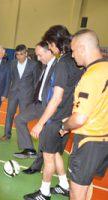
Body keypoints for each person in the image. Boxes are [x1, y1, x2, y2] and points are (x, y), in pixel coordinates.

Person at [24, 25, 83, 200]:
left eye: (50, 45)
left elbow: (56, 98)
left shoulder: (63, 64)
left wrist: (40, 124)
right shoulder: (76, 62)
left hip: (55, 118)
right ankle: (64, 185)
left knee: (48, 157)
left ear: (55, 43)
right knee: (56, 152)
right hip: (66, 118)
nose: (50, 48)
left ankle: (44, 192)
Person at [60, 29, 108, 200]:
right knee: (87, 184)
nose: (72, 55)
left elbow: (79, 118)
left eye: (73, 50)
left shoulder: (91, 75)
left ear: (81, 48)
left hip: (88, 142)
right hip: (104, 140)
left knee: (76, 192)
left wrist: (65, 126)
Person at [1, 44, 40, 141]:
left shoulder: (33, 64)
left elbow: (36, 82)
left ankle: (22, 137)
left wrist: (34, 97)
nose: (19, 56)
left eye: (21, 54)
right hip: (13, 94)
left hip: (26, 95)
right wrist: (6, 93)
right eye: (17, 54)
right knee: (9, 114)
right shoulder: (13, 63)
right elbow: (9, 78)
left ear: (26, 53)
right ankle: (7, 134)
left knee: (23, 117)